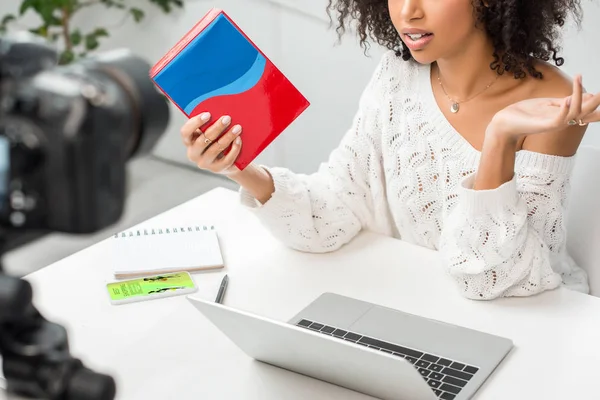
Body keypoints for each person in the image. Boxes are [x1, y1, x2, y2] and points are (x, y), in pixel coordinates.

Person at [180, 0, 600, 300]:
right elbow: (335, 210)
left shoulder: (554, 102)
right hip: (420, 304)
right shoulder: (397, 76)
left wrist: (500, 137)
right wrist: (240, 168)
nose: (407, 12)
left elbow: (496, 279)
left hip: (535, 322)